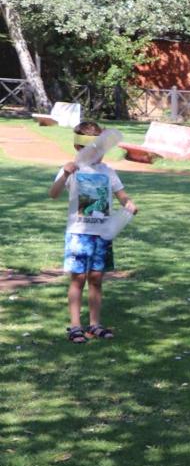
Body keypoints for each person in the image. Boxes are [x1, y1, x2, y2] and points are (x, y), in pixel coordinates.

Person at [50, 133, 139, 344]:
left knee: (97, 278)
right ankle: (75, 326)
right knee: (78, 278)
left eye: (101, 148)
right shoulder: (72, 169)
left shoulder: (108, 172)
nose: (98, 153)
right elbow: (53, 193)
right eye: (92, 148)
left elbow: (121, 195)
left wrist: (129, 204)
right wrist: (64, 174)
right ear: (78, 147)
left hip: (103, 233)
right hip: (78, 233)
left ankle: (95, 324)